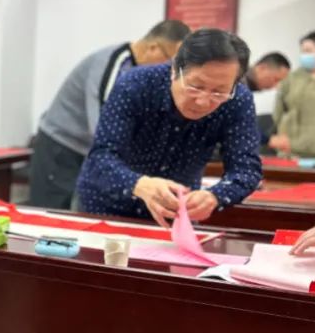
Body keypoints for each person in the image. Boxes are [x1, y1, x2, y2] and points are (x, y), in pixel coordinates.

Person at [77, 28, 261, 228]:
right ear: (175, 70)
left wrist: (215, 196)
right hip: (108, 207)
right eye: (196, 87)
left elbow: (246, 169)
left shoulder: (238, 100)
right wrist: (139, 184)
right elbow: (100, 158)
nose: (203, 101)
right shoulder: (135, 84)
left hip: (175, 215)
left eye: (219, 92)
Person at [28, 20, 191, 209]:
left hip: (90, 151)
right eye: (171, 61)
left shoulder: (144, 73)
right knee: (53, 212)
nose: (170, 71)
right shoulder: (112, 65)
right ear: (153, 48)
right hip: (62, 147)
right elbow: (102, 126)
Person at [270, 31, 315, 158]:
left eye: (309, 51)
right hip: (291, 151)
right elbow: (278, 112)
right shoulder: (292, 79)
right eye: (302, 51)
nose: (304, 55)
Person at [244, 51, 290, 146]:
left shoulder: (244, 86)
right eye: (276, 79)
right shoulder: (238, 85)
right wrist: (270, 140)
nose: (276, 86)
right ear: (262, 68)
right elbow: (239, 126)